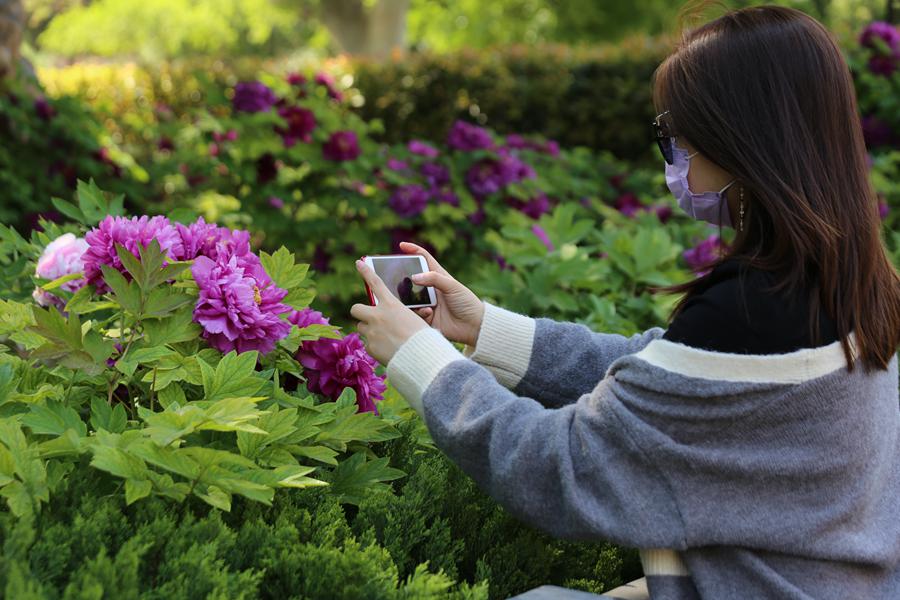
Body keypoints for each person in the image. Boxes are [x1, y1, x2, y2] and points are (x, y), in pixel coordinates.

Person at [350, 5, 900, 599]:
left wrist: (422, 359)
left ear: (738, 138)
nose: (672, 154)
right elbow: (663, 370)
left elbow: (562, 467)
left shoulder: (748, 312)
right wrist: (486, 329)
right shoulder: (850, 287)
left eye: (673, 133)